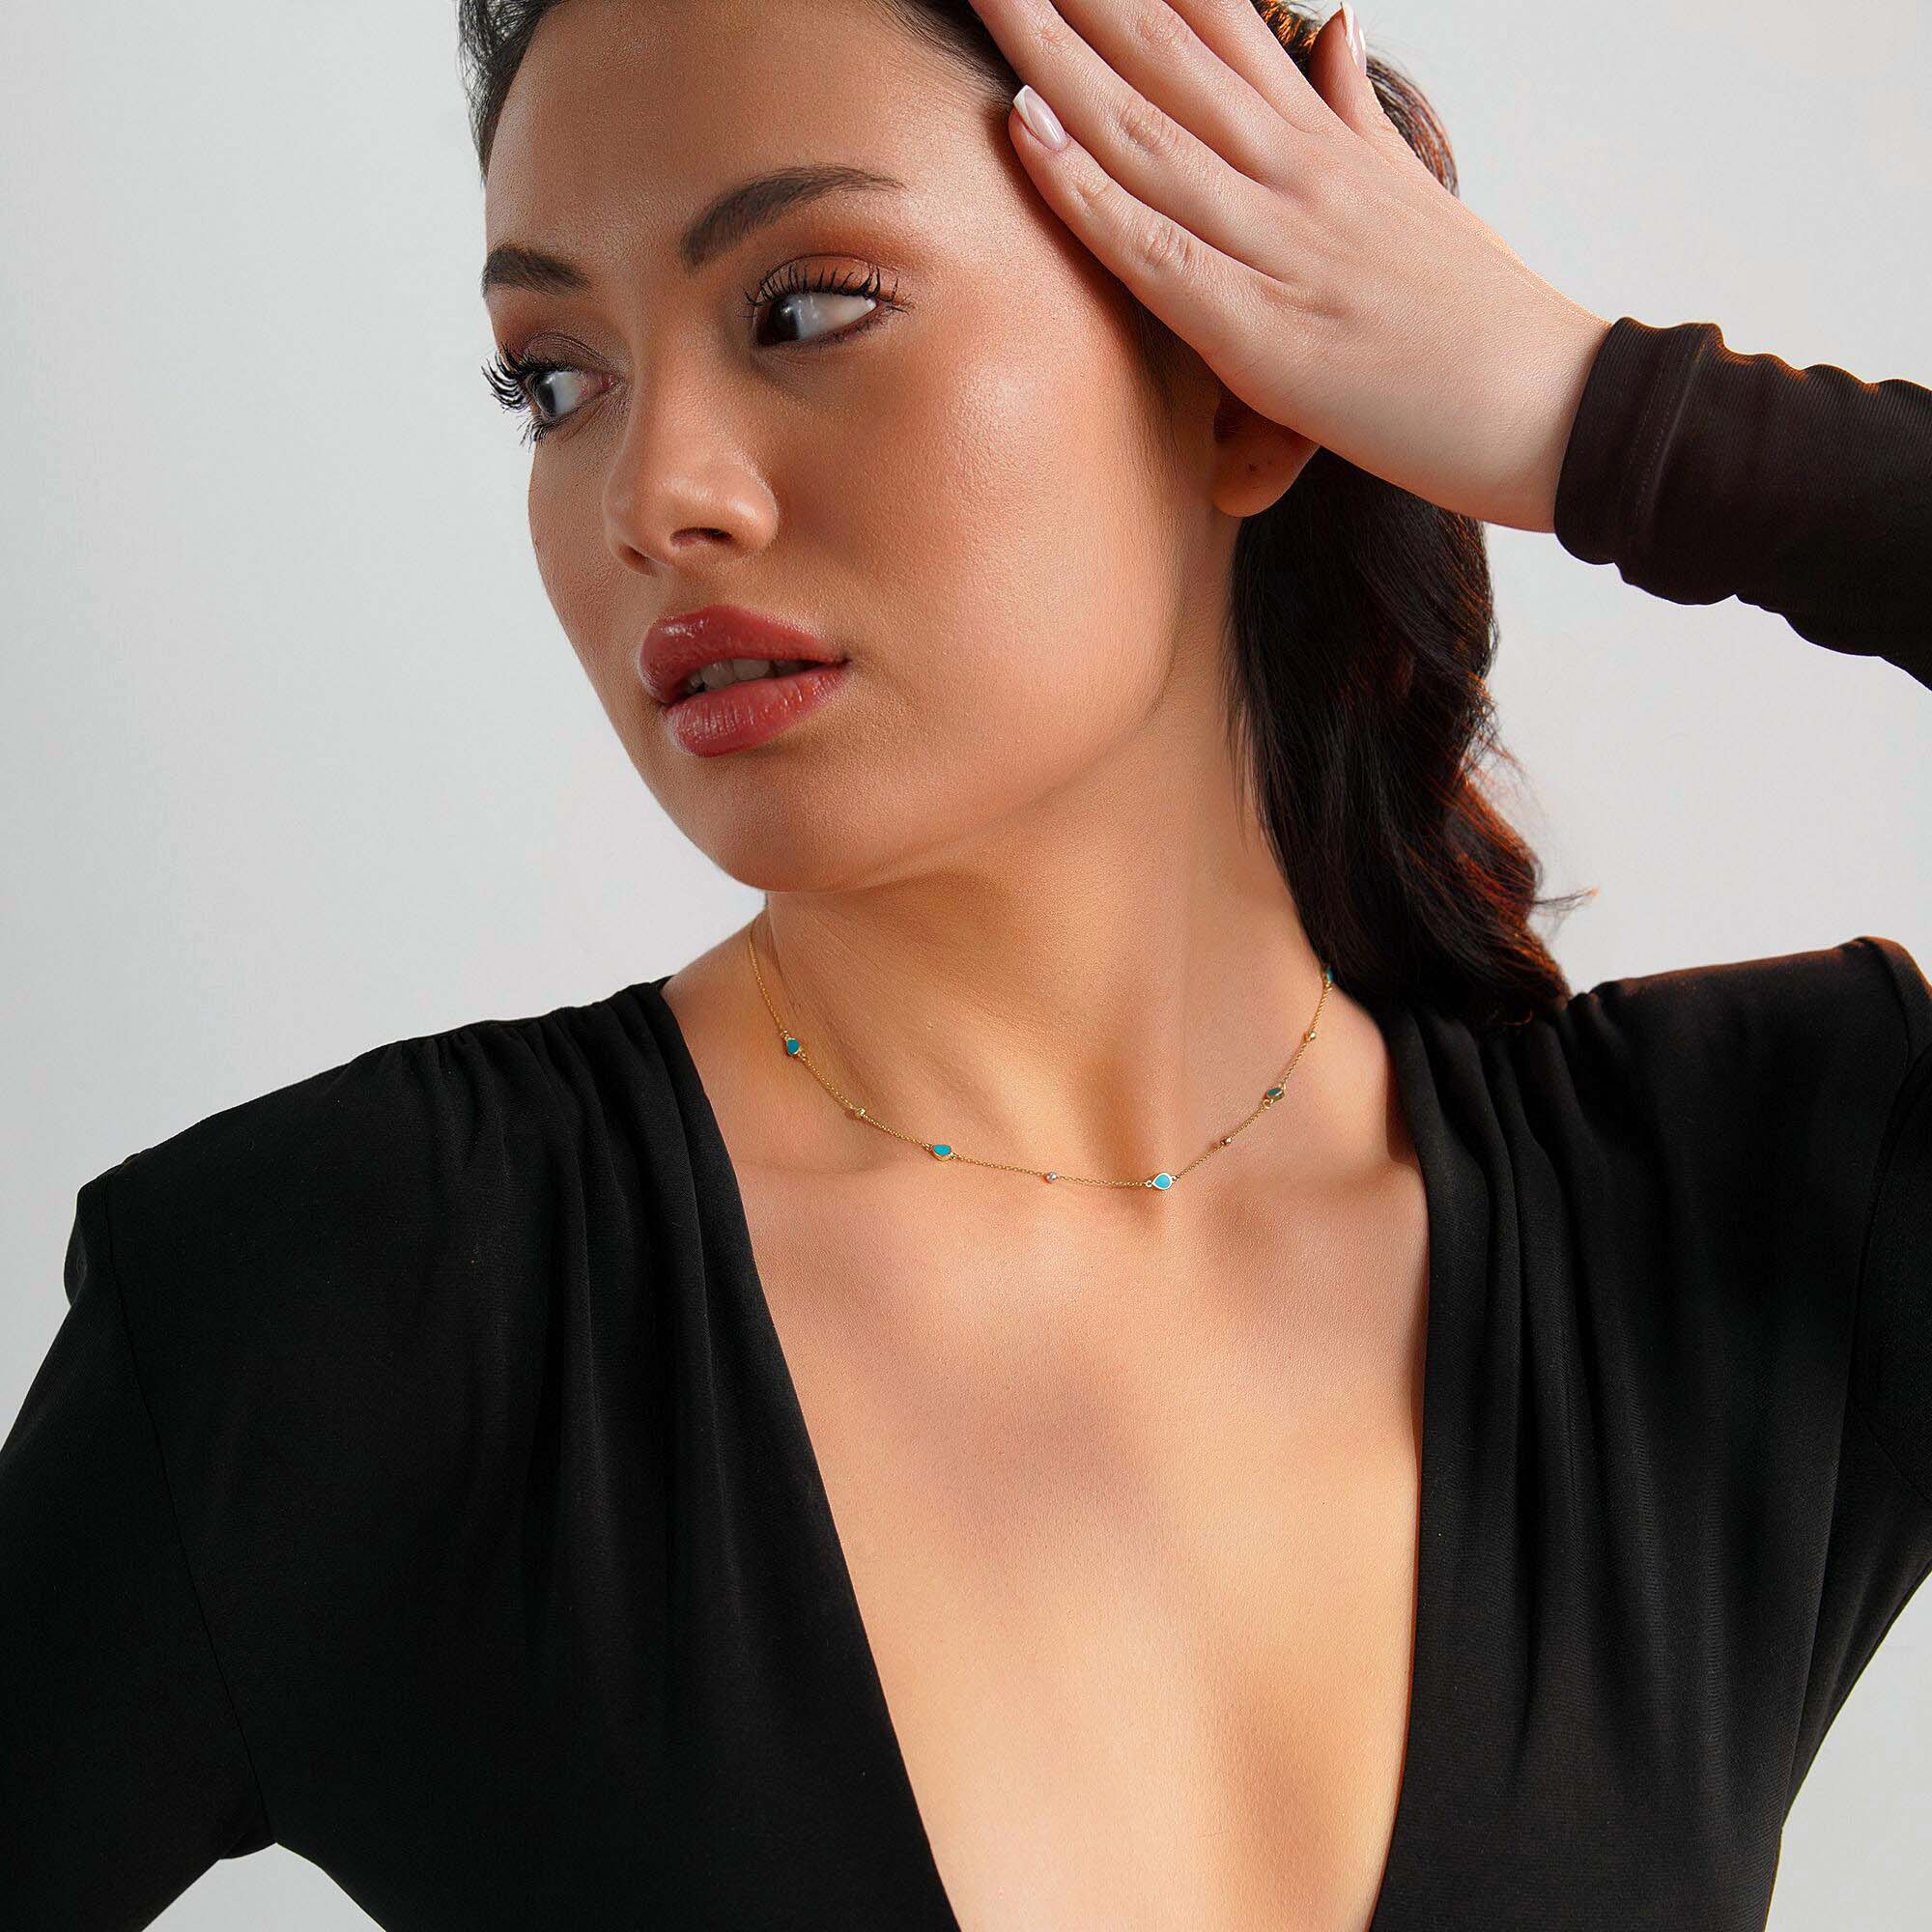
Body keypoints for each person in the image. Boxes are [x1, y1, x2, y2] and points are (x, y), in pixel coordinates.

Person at [3, 1, 1927, 1927]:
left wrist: (1602, 414)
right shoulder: (351, 1307)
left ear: (1240, 381)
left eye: (809, 307)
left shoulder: (1752, 1218)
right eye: (552, 377)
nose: (653, 491)